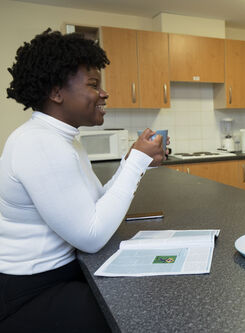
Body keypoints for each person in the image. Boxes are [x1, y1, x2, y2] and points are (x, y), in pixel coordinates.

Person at [0, 29, 167, 332]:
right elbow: (91, 236)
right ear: (56, 92)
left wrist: (133, 160)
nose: (103, 93)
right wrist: (137, 162)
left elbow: (95, 204)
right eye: (93, 85)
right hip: (30, 291)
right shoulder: (39, 143)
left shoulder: (62, 140)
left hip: (59, 274)